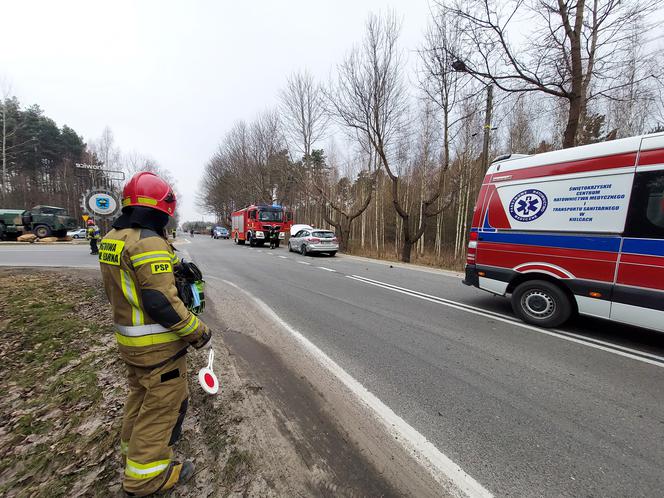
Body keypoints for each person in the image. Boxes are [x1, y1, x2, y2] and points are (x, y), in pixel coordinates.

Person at [98, 171, 211, 496]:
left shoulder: (112, 239)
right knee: (162, 407)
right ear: (162, 208)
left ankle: (132, 453)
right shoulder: (149, 242)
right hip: (158, 347)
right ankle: (146, 478)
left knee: (140, 397)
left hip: (130, 343)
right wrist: (199, 332)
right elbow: (161, 302)